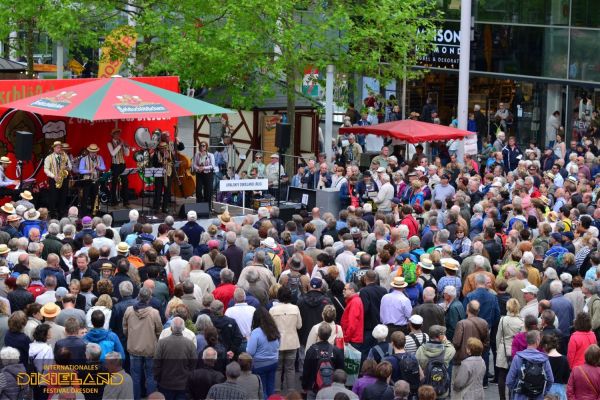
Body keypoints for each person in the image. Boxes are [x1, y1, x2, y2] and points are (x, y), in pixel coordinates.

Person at [123, 287, 163, 400]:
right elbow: (159, 331)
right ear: (149, 298)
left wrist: (131, 338)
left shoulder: (129, 311)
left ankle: (136, 397)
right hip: (150, 349)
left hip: (134, 348)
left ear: (139, 296)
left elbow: (125, 329)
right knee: (150, 376)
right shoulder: (154, 313)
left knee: (135, 376)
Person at [153, 317, 197, 400]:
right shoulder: (190, 344)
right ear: (183, 328)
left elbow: (157, 362)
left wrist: (157, 377)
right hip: (183, 384)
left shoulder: (162, 343)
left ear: (171, 328)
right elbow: (193, 363)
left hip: (165, 383)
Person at [506, 330, 554, 400]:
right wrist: (543, 392)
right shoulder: (544, 359)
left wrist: (517, 390)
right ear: (537, 341)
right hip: (538, 396)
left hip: (521, 396)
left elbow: (509, 381)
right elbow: (550, 379)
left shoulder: (518, 357)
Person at [302, 323, 345, 398]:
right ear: (330, 335)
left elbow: (306, 370)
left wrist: (305, 386)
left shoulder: (311, 350)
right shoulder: (336, 351)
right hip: (331, 388)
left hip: (314, 387)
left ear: (318, 334)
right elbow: (341, 370)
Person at [247, 307, 280, 398]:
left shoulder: (256, 332)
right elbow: (278, 345)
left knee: (262, 390)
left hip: (259, 365)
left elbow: (250, 351)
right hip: (273, 362)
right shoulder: (274, 330)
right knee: (271, 388)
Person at [495, 298, 524, 400]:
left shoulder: (503, 319)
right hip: (516, 351)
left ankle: (502, 398)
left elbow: (498, 336)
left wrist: (498, 349)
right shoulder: (521, 322)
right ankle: (512, 397)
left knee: (502, 375)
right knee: (515, 376)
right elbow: (522, 339)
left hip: (503, 348)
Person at [44, 141, 72, 219]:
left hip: (64, 178)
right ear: (54, 148)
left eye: (60, 147)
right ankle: (52, 214)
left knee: (63, 197)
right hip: (53, 179)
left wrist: (67, 168)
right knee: (53, 197)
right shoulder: (49, 157)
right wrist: (53, 176)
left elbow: (70, 166)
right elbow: (46, 169)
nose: (60, 149)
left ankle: (61, 213)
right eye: (58, 147)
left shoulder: (65, 156)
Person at [78, 144, 107, 216]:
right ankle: (83, 214)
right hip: (87, 181)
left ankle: (94, 213)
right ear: (89, 152)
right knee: (85, 197)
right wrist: (88, 171)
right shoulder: (83, 159)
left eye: (95, 152)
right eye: (92, 152)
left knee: (95, 197)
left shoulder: (100, 158)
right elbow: (80, 170)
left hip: (96, 180)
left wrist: (99, 168)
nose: (94, 153)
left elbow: (104, 168)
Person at [540, 334, 570, 400]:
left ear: (545, 346)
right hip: (560, 391)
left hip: (547, 390)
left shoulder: (544, 359)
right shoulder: (564, 359)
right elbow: (566, 379)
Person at [107, 128, 131, 206]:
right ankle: (114, 201)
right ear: (113, 135)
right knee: (114, 183)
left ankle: (126, 201)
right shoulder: (109, 143)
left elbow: (127, 154)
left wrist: (126, 147)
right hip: (115, 165)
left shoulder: (121, 143)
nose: (118, 135)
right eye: (116, 134)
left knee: (125, 182)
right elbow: (113, 153)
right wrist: (120, 145)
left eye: (118, 134)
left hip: (122, 165)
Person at [192, 141, 216, 211]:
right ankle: (199, 207)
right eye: (201, 146)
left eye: (204, 146)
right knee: (198, 190)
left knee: (208, 191)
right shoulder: (197, 154)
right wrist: (198, 168)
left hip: (208, 174)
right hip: (199, 174)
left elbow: (212, 165)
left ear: (206, 147)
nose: (202, 147)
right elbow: (194, 164)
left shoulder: (210, 155)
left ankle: (207, 208)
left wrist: (204, 168)